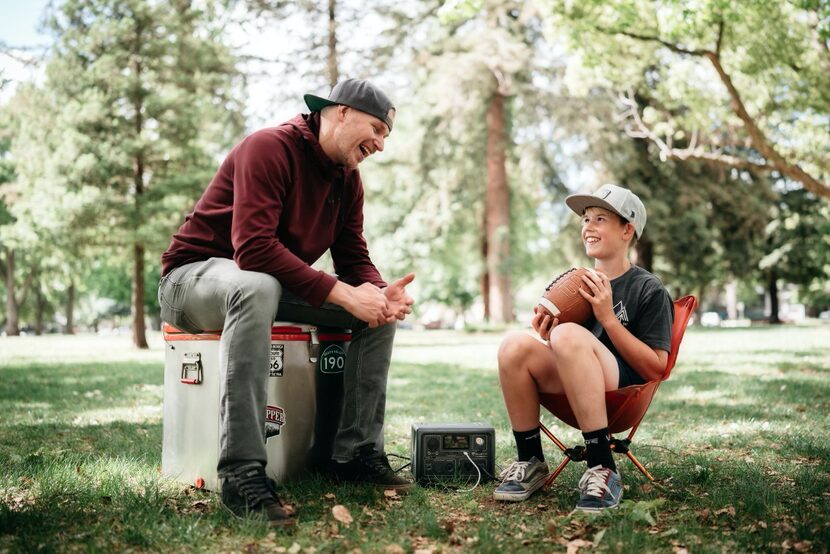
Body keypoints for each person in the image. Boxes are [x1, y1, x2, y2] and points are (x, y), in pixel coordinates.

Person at [158, 79, 416, 527]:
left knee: (374, 315)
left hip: (263, 285)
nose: (379, 144)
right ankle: (241, 472)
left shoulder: (347, 181)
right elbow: (253, 249)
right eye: (375, 129)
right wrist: (342, 293)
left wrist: (377, 293)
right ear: (339, 112)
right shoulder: (268, 148)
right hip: (190, 282)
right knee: (257, 285)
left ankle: (352, 455)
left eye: (386, 136)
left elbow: (352, 255)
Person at [492, 184, 673, 511]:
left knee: (568, 336)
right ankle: (530, 460)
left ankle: (603, 466)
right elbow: (570, 346)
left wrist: (608, 317)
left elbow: (657, 368)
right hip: (578, 388)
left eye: (600, 219)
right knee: (514, 345)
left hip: (622, 394)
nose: (588, 226)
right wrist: (550, 334)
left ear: (627, 230)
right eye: (585, 219)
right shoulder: (577, 285)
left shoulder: (648, 288)